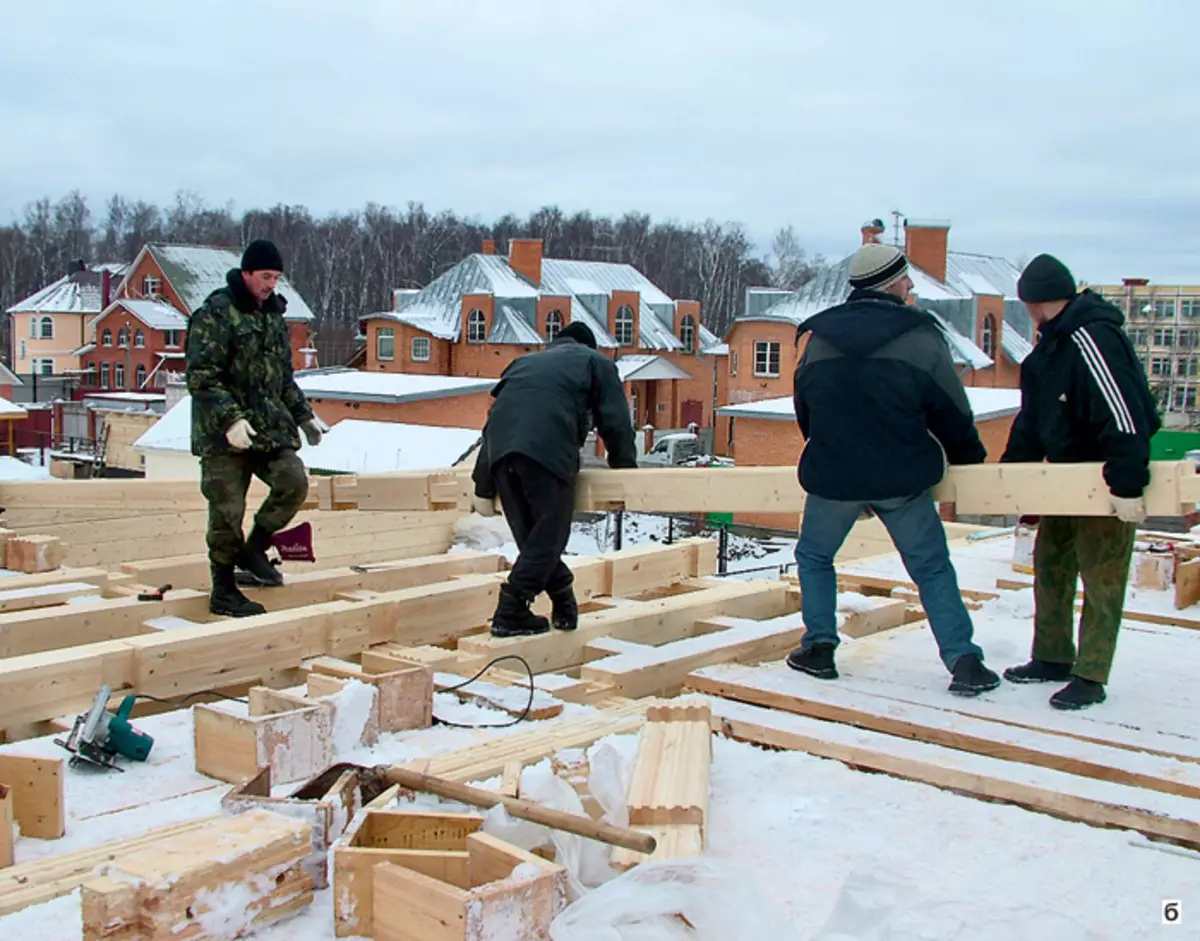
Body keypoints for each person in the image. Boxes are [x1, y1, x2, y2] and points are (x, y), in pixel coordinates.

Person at [786, 242, 1000, 695]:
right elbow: (951, 410)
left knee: (815, 557)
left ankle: (819, 648)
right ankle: (963, 662)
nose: (911, 286)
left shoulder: (820, 339)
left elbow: (805, 404)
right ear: (892, 283)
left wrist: (830, 449)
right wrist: (970, 463)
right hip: (901, 477)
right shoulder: (920, 336)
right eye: (906, 279)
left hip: (834, 476)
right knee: (930, 567)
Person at [1000, 254, 1159, 710]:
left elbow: (1125, 413)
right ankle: (1051, 656)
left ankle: (1091, 674)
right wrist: (1016, 481)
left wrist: (1127, 484)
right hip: (1064, 478)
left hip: (1107, 476)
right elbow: (1031, 423)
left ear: (1032, 303)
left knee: (1102, 575)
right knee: (1051, 564)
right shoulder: (1045, 352)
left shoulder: (1093, 337)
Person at [186, 239, 326, 618]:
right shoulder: (216, 314)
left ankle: (254, 550)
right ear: (246, 273)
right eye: (265, 276)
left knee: (293, 481)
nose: (271, 285)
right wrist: (231, 419)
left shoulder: (272, 317)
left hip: (265, 429)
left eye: (276, 278)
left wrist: (304, 416)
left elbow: (281, 379)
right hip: (222, 435)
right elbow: (201, 377)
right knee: (227, 509)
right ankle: (223, 589)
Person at [472, 321, 638, 637]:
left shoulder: (524, 363)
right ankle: (511, 611)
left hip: (502, 454)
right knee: (547, 541)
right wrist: (625, 472)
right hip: (547, 452)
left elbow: (495, 421)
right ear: (589, 345)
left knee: (533, 541)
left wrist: (483, 482)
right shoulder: (595, 362)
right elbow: (615, 420)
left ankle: (563, 603)